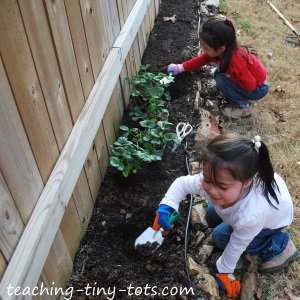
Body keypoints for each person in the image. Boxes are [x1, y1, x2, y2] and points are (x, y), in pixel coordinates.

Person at [155, 133, 299, 298]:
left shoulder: (251, 215)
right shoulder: (218, 179)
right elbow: (182, 184)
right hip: (246, 209)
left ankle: (278, 245)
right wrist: (167, 206)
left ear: (246, 182)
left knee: (220, 237)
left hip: (271, 224)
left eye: (222, 186)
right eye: (207, 179)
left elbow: (237, 245)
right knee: (212, 210)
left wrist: (224, 271)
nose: (211, 189)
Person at [167, 15, 269, 118]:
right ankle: (235, 91)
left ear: (221, 49)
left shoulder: (236, 62)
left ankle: (243, 107)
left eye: (206, 48)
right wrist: (180, 67)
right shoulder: (224, 51)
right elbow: (201, 60)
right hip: (253, 82)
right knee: (219, 74)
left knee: (221, 80)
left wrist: (231, 78)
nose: (203, 50)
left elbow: (250, 85)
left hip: (258, 88)